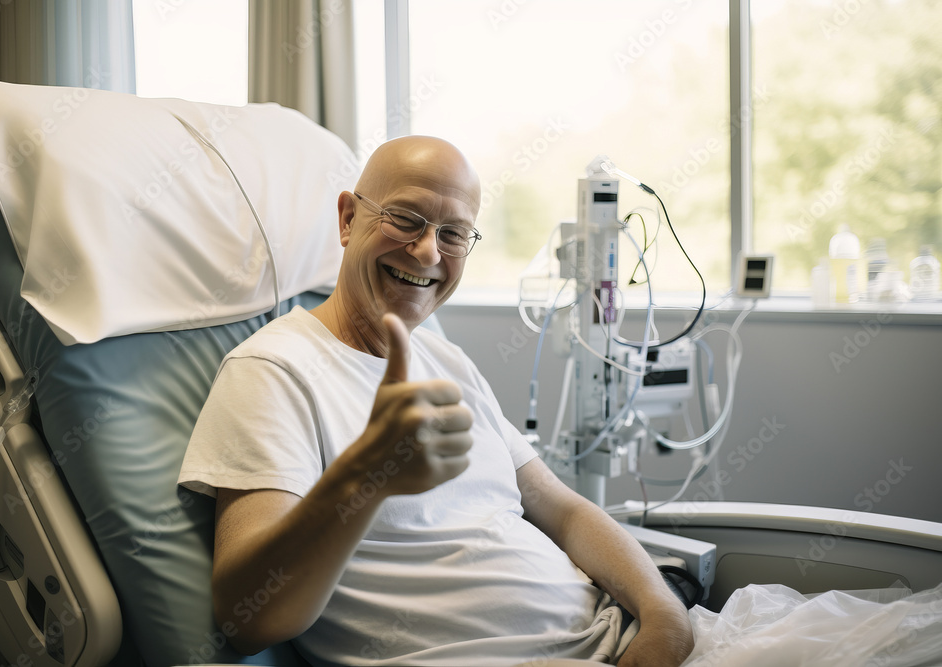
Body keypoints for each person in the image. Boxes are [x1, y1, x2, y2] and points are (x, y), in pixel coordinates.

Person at [179, 136, 694, 666]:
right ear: (348, 219)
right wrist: (366, 473)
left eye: (453, 234)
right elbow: (248, 619)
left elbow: (562, 510)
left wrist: (663, 615)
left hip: (617, 637)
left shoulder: (447, 361)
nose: (428, 252)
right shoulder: (273, 371)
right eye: (404, 219)